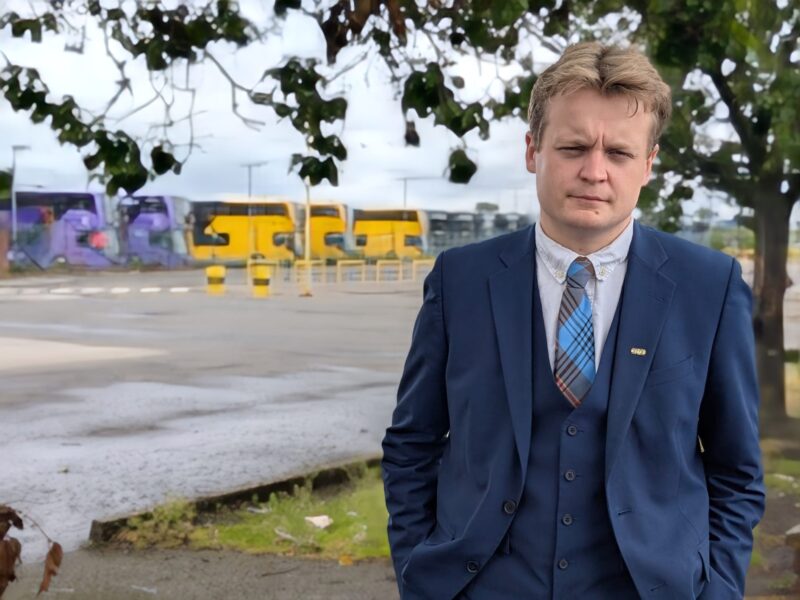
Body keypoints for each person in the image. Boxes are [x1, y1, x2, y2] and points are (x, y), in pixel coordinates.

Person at [381, 41, 765, 600]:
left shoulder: (711, 286)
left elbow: (737, 470)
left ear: (649, 164)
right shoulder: (459, 280)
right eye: (574, 146)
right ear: (533, 150)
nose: (594, 171)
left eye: (619, 153)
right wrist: (421, 579)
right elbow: (411, 444)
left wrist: (720, 588)